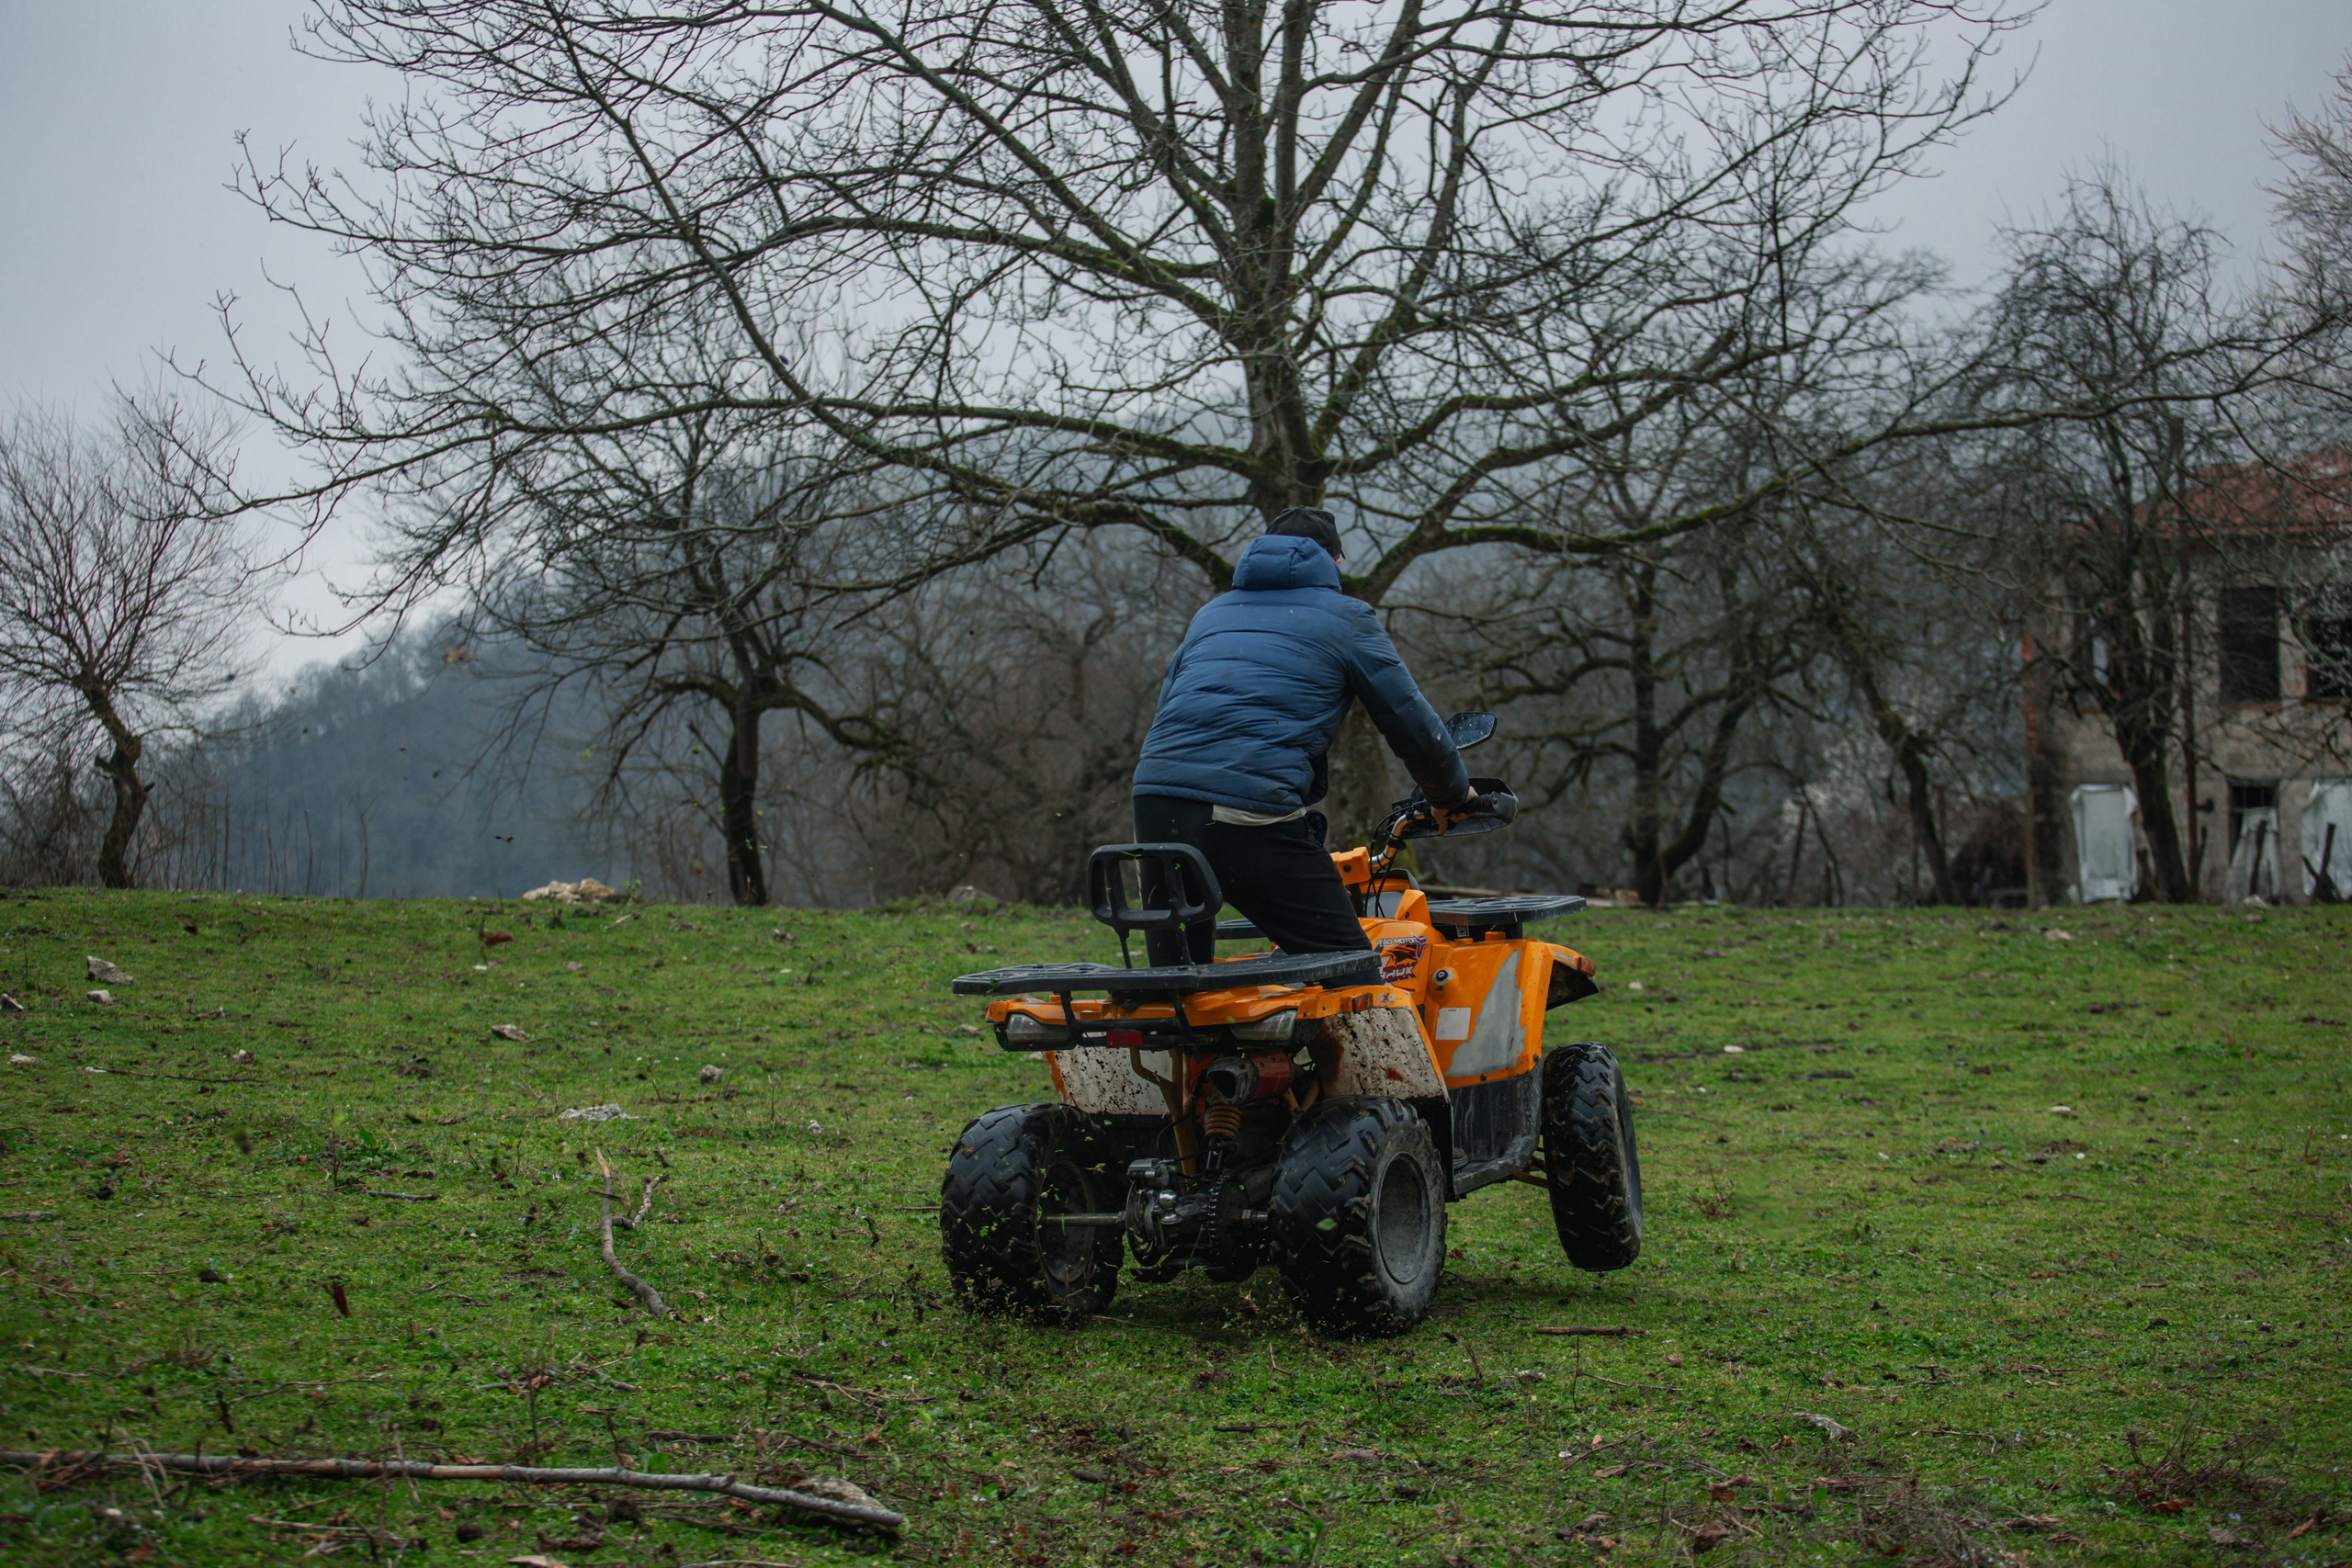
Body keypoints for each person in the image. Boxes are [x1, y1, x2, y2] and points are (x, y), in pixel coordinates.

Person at [1131, 506, 1473, 965]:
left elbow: (1167, 711)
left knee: (1178, 985)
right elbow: (1410, 722)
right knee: (1348, 969)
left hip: (1153, 802)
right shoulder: (1348, 617)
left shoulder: (1209, 615)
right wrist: (1451, 794)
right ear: (1334, 561)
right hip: (1245, 811)